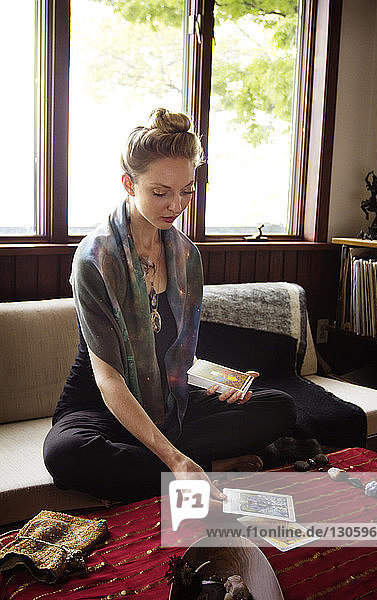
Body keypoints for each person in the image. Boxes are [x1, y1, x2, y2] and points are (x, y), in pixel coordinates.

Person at [43, 108, 296, 505]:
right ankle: (205, 467)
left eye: (187, 191)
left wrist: (222, 381)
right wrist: (178, 461)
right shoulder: (95, 258)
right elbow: (108, 379)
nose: (176, 204)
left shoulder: (186, 257)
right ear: (129, 183)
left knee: (279, 407)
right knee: (66, 455)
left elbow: (178, 356)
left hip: (170, 396)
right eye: (160, 192)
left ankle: (157, 464)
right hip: (100, 402)